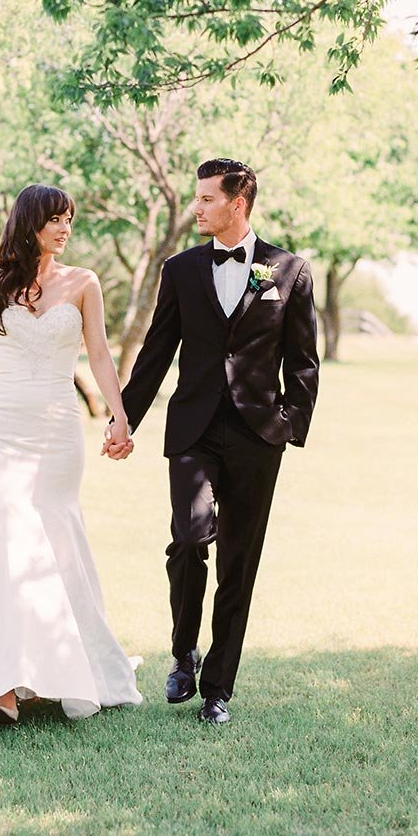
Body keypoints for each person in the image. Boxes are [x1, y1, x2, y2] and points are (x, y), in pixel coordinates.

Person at [0, 184, 142, 725]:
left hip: (59, 430)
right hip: (2, 427)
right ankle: (4, 682)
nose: (65, 228)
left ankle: (51, 669)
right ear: (29, 222)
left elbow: (101, 353)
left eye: (69, 219)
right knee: (3, 538)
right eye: (55, 219)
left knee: (54, 538)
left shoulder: (84, 283)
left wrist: (119, 413)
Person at [108, 158, 319, 724]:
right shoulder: (180, 270)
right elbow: (156, 351)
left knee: (239, 562)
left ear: (238, 203)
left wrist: (288, 426)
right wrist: (122, 418)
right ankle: (183, 654)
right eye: (196, 198)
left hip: (257, 435)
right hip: (193, 430)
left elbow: (303, 362)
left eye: (205, 199)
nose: (196, 208)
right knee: (188, 538)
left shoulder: (289, 271)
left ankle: (218, 690)